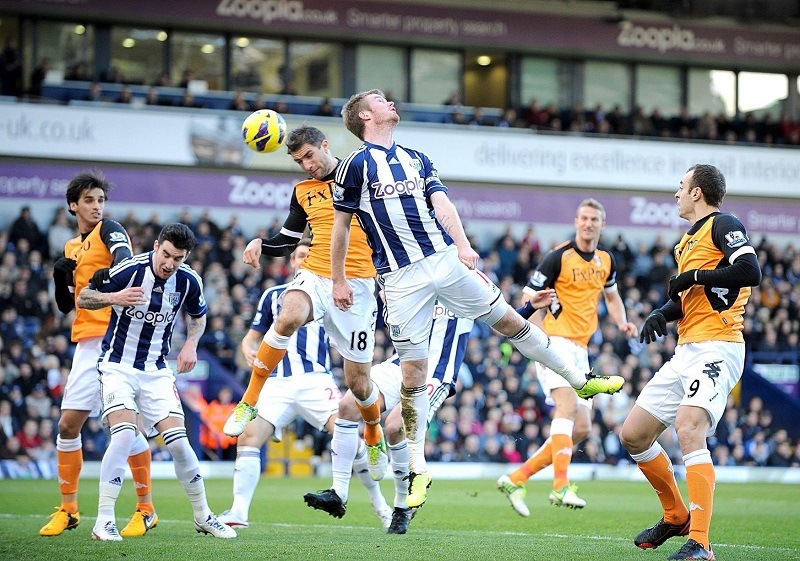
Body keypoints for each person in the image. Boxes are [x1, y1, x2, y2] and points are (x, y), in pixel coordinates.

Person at [331, 89, 624, 508]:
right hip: (398, 279)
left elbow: (442, 203)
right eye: (380, 99)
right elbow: (341, 227)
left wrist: (464, 245)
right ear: (364, 114)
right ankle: (417, 469)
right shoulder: (353, 167)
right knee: (413, 376)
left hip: (443, 260)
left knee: (507, 319)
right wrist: (339, 278)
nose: (390, 102)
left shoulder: (416, 157)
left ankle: (580, 379)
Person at [304, 292, 552, 534]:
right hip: (400, 365)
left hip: (436, 374)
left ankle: (401, 507)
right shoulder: (416, 273)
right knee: (347, 405)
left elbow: (500, 323)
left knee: (394, 427)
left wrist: (529, 306)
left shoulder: (464, 282)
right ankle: (338, 492)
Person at [222, 125, 387, 481]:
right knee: (288, 315)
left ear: (325, 146)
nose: (307, 165)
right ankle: (249, 401)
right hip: (316, 275)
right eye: (299, 161)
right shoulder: (302, 192)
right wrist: (260, 244)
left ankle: (373, 434)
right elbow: (288, 238)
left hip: (358, 286)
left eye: (310, 155)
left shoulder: (359, 175)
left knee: (359, 383)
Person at [620, 164, 761, 560]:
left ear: (697, 192)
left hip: (719, 345)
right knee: (632, 434)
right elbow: (687, 298)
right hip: (686, 349)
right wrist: (662, 314)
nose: (676, 194)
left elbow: (751, 271)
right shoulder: (686, 241)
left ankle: (700, 542)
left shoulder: (723, 223)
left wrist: (694, 276)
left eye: (681, 186)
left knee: (688, 426)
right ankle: (676, 515)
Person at [217, 240, 391, 530]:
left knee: (347, 434)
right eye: (299, 256)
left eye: (310, 255)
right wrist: (248, 348)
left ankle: (380, 505)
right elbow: (253, 336)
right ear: (292, 262)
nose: (304, 259)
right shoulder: (274, 296)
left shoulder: (334, 292)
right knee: (248, 436)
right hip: (277, 383)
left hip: (315, 380)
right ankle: (238, 511)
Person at [78, 223, 236, 541]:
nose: (169, 263)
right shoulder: (129, 269)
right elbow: (83, 298)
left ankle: (203, 515)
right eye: (165, 255)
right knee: (123, 437)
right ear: (156, 245)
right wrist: (115, 296)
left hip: (156, 370)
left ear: (185, 257)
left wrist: (192, 343)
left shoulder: (189, 280)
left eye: (177, 258)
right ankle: (104, 520)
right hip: (117, 367)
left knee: (178, 442)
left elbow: (199, 315)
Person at [497, 199, 637, 514]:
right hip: (555, 342)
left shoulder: (606, 260)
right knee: (568, 405)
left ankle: (517, 478)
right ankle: (560, 487)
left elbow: (612, 297)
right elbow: (527, 295)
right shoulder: (558, 257)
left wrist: (622, 322)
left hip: (581, 349)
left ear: (602, 224)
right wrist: (536, 336)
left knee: (584, 427)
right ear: (576, 222)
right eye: (584, 218)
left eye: (595, 219)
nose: (589, 224)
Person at [40, 171, 157, 538]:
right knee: (67, 425)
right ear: (73, 205)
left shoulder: (110, 229)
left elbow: (125, 257)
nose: (96, 206)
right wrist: (61, 278)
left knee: (124, 426)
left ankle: (145, 508)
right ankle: (69, 509)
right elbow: (65, 306)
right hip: (86, 341)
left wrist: (113, 278)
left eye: (100, 200)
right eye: (89, 200)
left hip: (116, 338)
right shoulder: (72, 247)